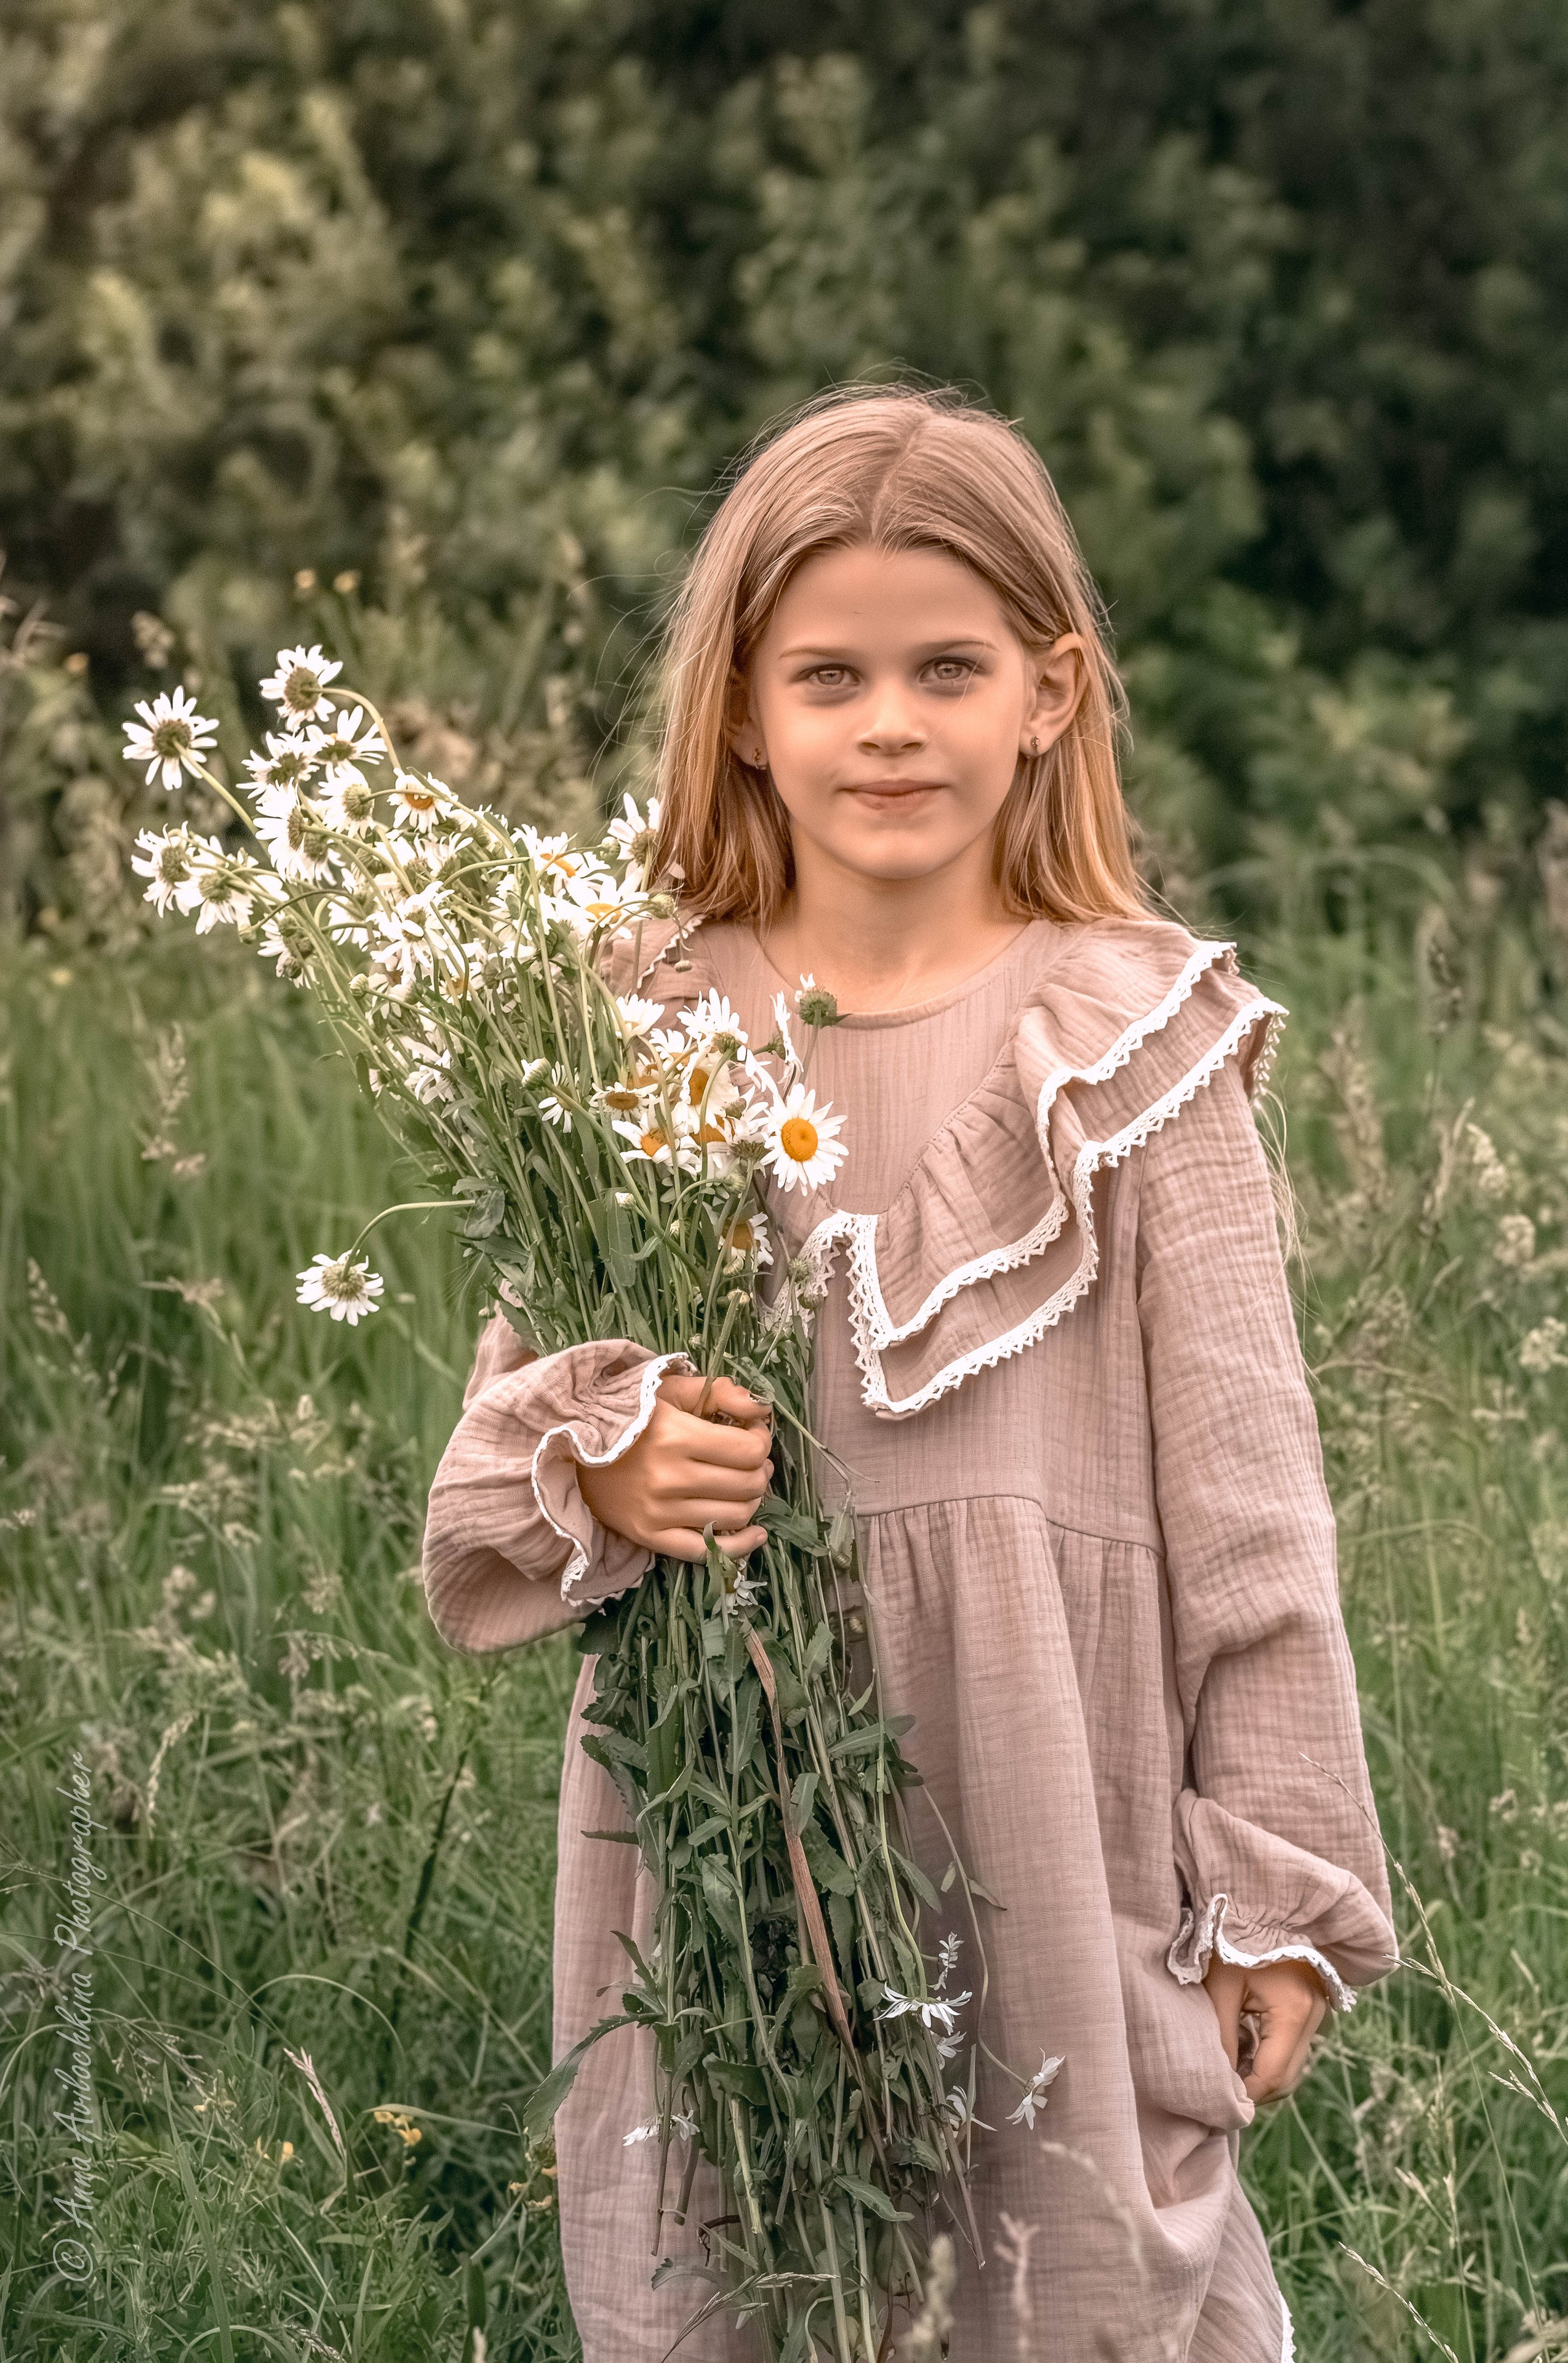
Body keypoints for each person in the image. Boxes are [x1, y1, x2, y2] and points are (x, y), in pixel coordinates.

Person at [421, 387, 1397, 2361]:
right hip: (733, 1830)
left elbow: (1251, 1492)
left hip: (1056, 1814)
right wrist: (602, 1473)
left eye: (947, 670)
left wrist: (1281, 1886)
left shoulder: (1138, 1047)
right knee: (751, 2276)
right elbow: (491, 1459)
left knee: (1071, 2282)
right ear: (747, 707)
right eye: (833, 674)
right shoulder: (638, 1031)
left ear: (1047, 693)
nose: (889, 723)